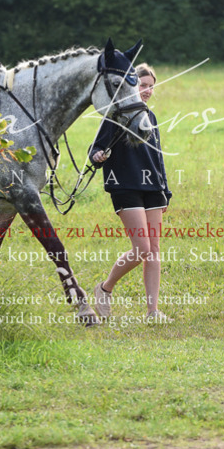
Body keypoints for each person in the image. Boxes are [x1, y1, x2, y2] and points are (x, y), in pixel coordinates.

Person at [90, 63, 172, 323]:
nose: (147, 90)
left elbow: (158, 156)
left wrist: (165, 190)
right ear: (132, 86)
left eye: (151, 86)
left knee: (154, 250)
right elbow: (95, 149)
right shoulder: (115, 114)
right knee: (142, 248)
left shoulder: (151, 117)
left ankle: (152, 312)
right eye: (142, 85)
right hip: (125, 186)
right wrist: (97, 156)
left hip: (154, 188)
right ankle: (105, 288)